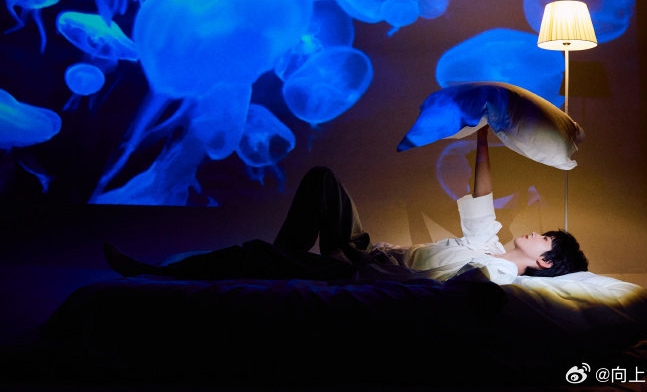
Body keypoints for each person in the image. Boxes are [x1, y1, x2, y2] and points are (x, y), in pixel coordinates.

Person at [105, 126, 588, 284]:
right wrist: (483, 136)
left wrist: (360, 266)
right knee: (323, 179)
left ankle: (156, 274)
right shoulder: (492, 245)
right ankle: (285, 261)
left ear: (545, 261)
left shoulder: (499, 274)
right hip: (367, 250)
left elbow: (436, 287)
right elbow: (482, 198)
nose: (536, 232)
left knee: (256, 253)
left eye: (545, 238)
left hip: (363, 270)